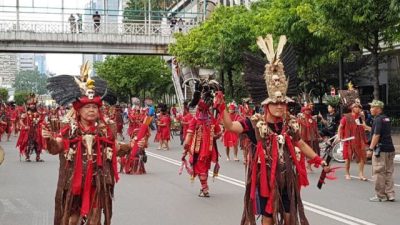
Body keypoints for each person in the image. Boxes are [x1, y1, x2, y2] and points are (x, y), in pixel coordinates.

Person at [218, 35, 329, 225]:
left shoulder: (289, 124)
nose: (280, 106)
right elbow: (230, 126)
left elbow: (300, 143)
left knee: (289, 218)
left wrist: (319, 160)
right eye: (276, 103)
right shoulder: (254, 124)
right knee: (267, 219)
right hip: (264, 180)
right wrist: (221, 106)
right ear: (266, 105)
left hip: (287, 179)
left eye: (283, 103)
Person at [44, 70, 134, 225]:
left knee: (94, 220)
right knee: (72, 220)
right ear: (78, 110)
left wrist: (132, 146)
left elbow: (115, 148)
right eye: (87, 107)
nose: (92, 110)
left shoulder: (105, 128)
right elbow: (56, 148)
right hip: (73, 182)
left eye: (94, 107)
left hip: (97, 181)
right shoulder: (68, 128)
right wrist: (49, 140)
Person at [182, 80, 222, 197]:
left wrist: (185, 146)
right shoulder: (211, 119)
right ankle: (204, 188)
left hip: (198, 148)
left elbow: (189, 135)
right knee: (204, 166)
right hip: (209, 148)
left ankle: (204, 189)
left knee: (200, 166)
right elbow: (219, 133)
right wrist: (212, 136)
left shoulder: (195, 119)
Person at [365, 100, 395, 202]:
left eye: (372, 107)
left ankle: (380, 196)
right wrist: (367, 128)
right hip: (390, 149)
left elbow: (376, 135)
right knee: (388, 172)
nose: (370, 109)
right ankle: (390, 194)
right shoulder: (386, 118)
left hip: (380, 150)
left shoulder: (377, 119)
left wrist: (370, 149)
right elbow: (379, 131)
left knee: (378, 172)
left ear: (378, 109)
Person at [338, 88, 368, 181]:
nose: (357, 108)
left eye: (359, 107)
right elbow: (340, 127)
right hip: (349, 140)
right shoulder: (346, 117)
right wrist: (339, 136)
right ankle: (347, 173)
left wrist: (364, 125)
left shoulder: (361, 116)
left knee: (362, 157)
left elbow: (365, 127)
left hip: (360, 140)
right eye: (355, 107)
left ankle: (361, 174)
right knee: (347, 158)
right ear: (352, 108)